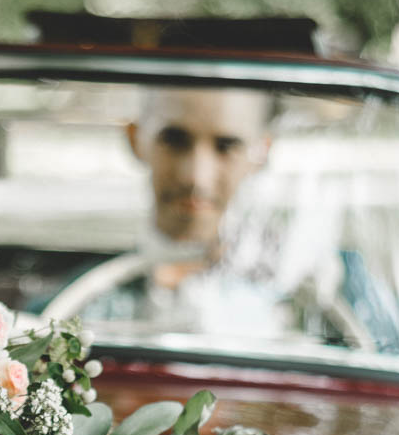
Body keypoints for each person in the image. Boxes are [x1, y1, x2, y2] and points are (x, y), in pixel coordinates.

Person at [41, 85, 274, 320]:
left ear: (262, 152)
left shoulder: (283, 315)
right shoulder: (69, 310)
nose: (196, 177)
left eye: (226, 146)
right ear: (135, 139)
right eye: (174, 141)